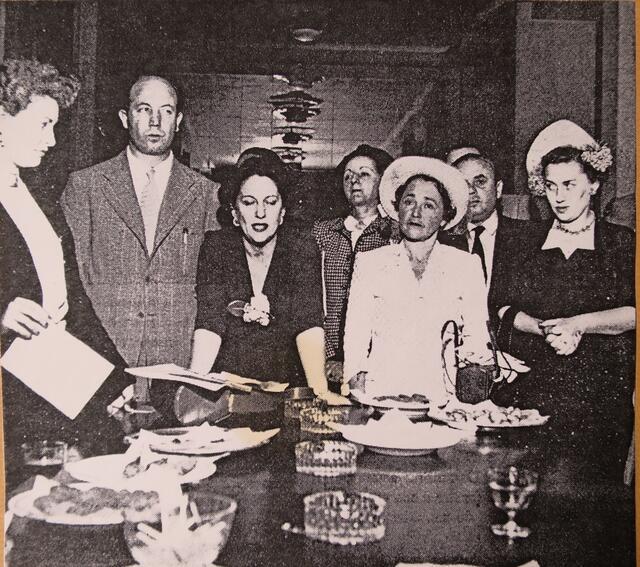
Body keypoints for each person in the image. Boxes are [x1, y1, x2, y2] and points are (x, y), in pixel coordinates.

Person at [0, 59, 131, 471]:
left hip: (50, 384)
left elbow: (71, 298)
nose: (53, 140)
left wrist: (115, 377)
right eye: (43, 124)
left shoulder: (36, 196)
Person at [61, 75, 220, 401]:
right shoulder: (85, 187)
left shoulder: (207, 194)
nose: (155, 121)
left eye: (166, 111)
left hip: (177, 367)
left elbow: (212, 289)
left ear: (178, 121)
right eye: (144, 109)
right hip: (104, 362)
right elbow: (71, 284)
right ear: (125, 118)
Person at [493, 119, 635, 475]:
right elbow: (500, 307)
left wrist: (579, 325)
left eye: (569, 185)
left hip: (600, 395)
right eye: (551, 186)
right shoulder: (524, 241)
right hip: (533, 392)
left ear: (594, 183)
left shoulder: (621, 243)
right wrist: (545, 328)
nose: (558, 197)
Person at [161, 158, 348, 425]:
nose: (261, 213)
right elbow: (210, 322)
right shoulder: (216, 248)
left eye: (271, 202)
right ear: (235, 213)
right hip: (230, 396)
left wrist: (320, 392)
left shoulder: (301, 250)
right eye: (248, 202)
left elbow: (309, 323)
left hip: (287, 394)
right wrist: (196, 385)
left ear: (282, 212)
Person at [343, 157, 526, 401]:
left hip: (444, 398)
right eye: (408, 201)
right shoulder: (370, 262)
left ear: (444, 217)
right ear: (397, 209)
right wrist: (358, 389)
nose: (416, 212)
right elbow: (355, 336)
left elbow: (476, 337)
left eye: (429, 205)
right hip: (382, 396)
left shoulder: (466, 265)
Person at [312, 144, 399, 387]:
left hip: (377, 360)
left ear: (381, 181)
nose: (354, 181)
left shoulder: (394, 234)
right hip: (325, 356)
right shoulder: (324, 232)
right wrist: (329, 356)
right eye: (348, 175)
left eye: (364, 174)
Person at [440, 148, 529, 323]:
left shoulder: (527, 238)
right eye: (464, 185)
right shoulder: (441, 242)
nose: (472, 191)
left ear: (498, 189)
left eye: (480, 182)